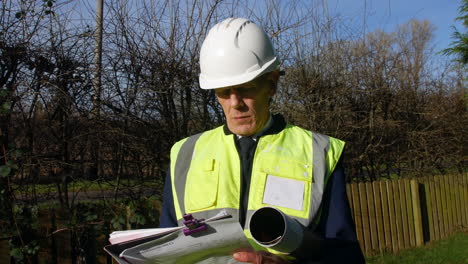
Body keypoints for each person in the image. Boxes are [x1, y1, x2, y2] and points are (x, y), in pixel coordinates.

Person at [159, 17, 365, 264]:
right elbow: (167, 248)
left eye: (245, 88)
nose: (235, 103)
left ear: (271, 84)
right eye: (224, 92)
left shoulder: (319, 152)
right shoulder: (185, 155)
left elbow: (344, 255)